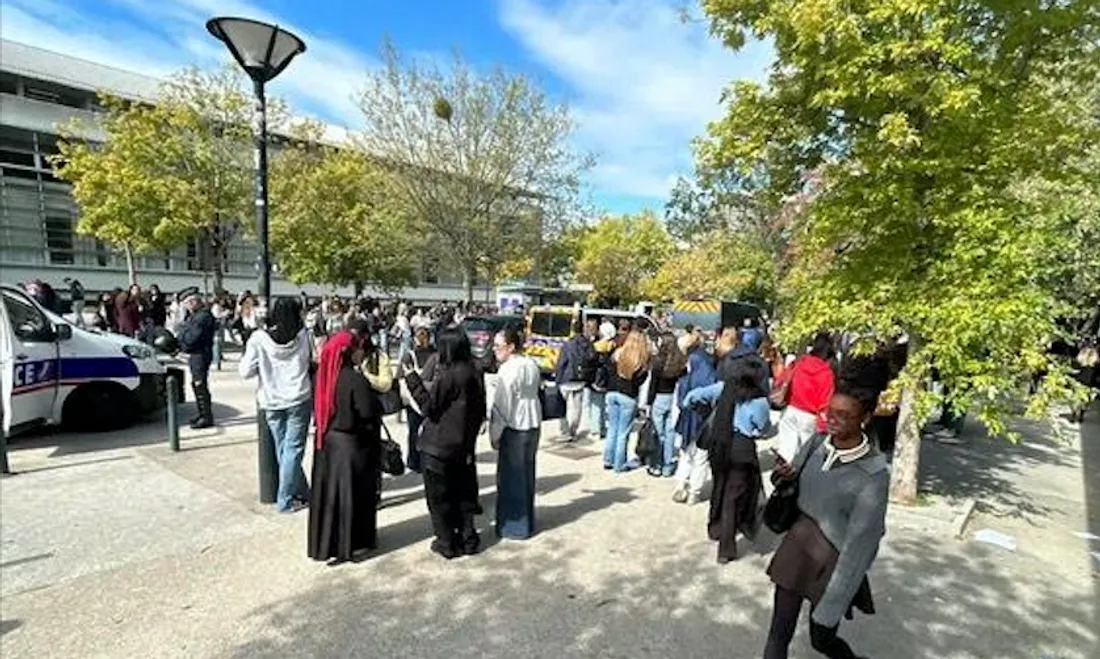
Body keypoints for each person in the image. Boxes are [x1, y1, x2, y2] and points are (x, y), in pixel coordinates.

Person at [763, 367, 890, 659]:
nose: (832, 419)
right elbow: (792, 479)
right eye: (830, 412)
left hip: (832, 562)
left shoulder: (873, 475)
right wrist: (785, 474)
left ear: (865, 419)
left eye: (844, 416)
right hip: (797, 547)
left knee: (821, 640)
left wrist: (834, 602)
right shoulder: (817, 443)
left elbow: (862, 545)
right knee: (778, 633)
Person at [403, 328, 486, 559]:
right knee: (464, 494)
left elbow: (429, 407)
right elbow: (480, 409)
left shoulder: (449, 375)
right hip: (463, 445)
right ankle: (468, 538)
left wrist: (412, 379)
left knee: (439, 498)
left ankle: (447, 541)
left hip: (438, 446)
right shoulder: (475, 371)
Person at [683, 359, 771, 562]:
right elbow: (762, 428)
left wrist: (697, 410)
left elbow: (693, 396)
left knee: (719, 486)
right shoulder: (759, 401)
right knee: (733, 496)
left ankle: (714, 527)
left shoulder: (723, 388)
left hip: (719, 443)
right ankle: (726, 548)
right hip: (741, 447)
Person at [308, 331, 382, 564]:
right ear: (349, 352)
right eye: (357, 348)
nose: (361, 352)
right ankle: (353, 543)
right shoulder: (355, 380)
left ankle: (327, 543)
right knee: (353, 496)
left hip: (326, 442)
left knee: (329, 497)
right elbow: (367, 412)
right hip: (352, 444)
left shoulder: (323, 376)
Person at [239, 297, 313, 513]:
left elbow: (245, 371)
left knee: (285, 450)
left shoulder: (259, 338)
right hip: (298, 397)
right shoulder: (303, 336)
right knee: (292, 451)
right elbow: (310, 361)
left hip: (271, 400)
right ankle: (286, 499)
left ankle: (300, 492)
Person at [488, 327, 543, 539]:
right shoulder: (531, 364)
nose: (494, 350)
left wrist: (495, 435)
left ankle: (513, 526)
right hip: (532, 421)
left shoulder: (508, 369)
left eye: (498, 346)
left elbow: (502, 407)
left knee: (511, 478)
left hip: (515, 424)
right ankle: (527, 522)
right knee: (527, 474)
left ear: (510, 347)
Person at [773, 332, 837, 461]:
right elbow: (825, 401)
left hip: (791, 410)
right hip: (810, 416)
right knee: (805, 456)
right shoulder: (826, 373)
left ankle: (782, 470)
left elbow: (781, 380)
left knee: (786, 451)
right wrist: (823, 425)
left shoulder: (800, 362)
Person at [672, 332, 719, 504]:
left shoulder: (688, 372)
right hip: (705, 417)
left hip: (690, 417)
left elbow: (680, 400)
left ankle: (681, 486)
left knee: (687, 453)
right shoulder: (710, 369)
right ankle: (694, 491)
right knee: (701, 457)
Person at [604, 330, 649, 473]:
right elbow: (640, 382)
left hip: (612, 392)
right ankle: (619, 464)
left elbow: (607, 368)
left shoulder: (617, 354)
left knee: (612, 429)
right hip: (628, 396)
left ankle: (608, 460)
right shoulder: (640, 361)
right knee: (623, 433)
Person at [646, 331, 688, 477]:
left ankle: (657, 464)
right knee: (670, 432)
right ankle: (667, 465)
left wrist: (648, 402)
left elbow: (653, 385)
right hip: (673, 397)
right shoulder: (680, 363)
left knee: (658, 433)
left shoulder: (658, 362)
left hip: (659, 397)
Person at [398, 327, 437, 473]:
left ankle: (414, 461)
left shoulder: (409, 356)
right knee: (430, 430)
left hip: (413, 398)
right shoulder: (436, 355)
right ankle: (427, 459)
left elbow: (399, 376)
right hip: (431, 398)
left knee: (414, 430)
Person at [176, 287, 216, 429]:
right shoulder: (195, 316)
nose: (187, 306)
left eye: (188, 303)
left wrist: (183, 342)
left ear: (194, 301)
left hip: (200, 353)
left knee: (200, 384)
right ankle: (202, 413)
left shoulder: (202, 317)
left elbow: (192, 338)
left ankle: (206, 416)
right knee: (197, 384)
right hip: (196, 353)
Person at [553, 319, 596, 442]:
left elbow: (562, 362)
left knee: (562, 406)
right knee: (577, 407)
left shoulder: (568, 344)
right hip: (581, 379)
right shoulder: (588, 344)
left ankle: (565, 431)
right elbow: (593, 359)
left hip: (567, 378)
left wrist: (557, 378)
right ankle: (573, 430)